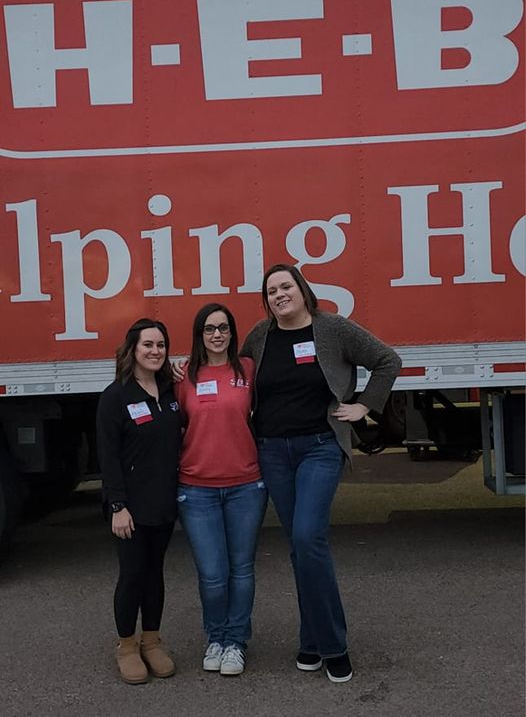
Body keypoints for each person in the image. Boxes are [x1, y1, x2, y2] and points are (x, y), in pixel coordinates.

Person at [240, 264, 402, 684]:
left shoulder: (333, 329)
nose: (279, 294)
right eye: (271, 290)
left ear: (302, 289)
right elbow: (232, 375)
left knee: (308, 537)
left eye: (286, 286)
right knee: (299, 547)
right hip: (273, 452)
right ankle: (310, 640)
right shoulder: (260, 336)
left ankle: (333, 645)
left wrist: (364, 405)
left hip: (319, 448)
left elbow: (387, 360)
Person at [175, 303, 268, 676]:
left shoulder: (247, 370)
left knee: (242, 570)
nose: (217, 334)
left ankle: (236, 642)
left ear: (232, 333)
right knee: (213, 574)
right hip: (196, 489)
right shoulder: (183, 377)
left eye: (224, 328)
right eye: (209, 329)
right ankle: (215, 636)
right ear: (200, 335)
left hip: (246, 486)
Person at [96, 318, 182, 685]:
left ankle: (151, 641)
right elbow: (108, 456)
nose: (155, 351)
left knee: (155, 573)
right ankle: (127, 646)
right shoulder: (116, 396)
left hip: (162, 503)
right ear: (133, 349)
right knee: (132, 574)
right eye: (148, 344)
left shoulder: (170, 391)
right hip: (129, 507)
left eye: (161, 345)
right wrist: (117, 505)